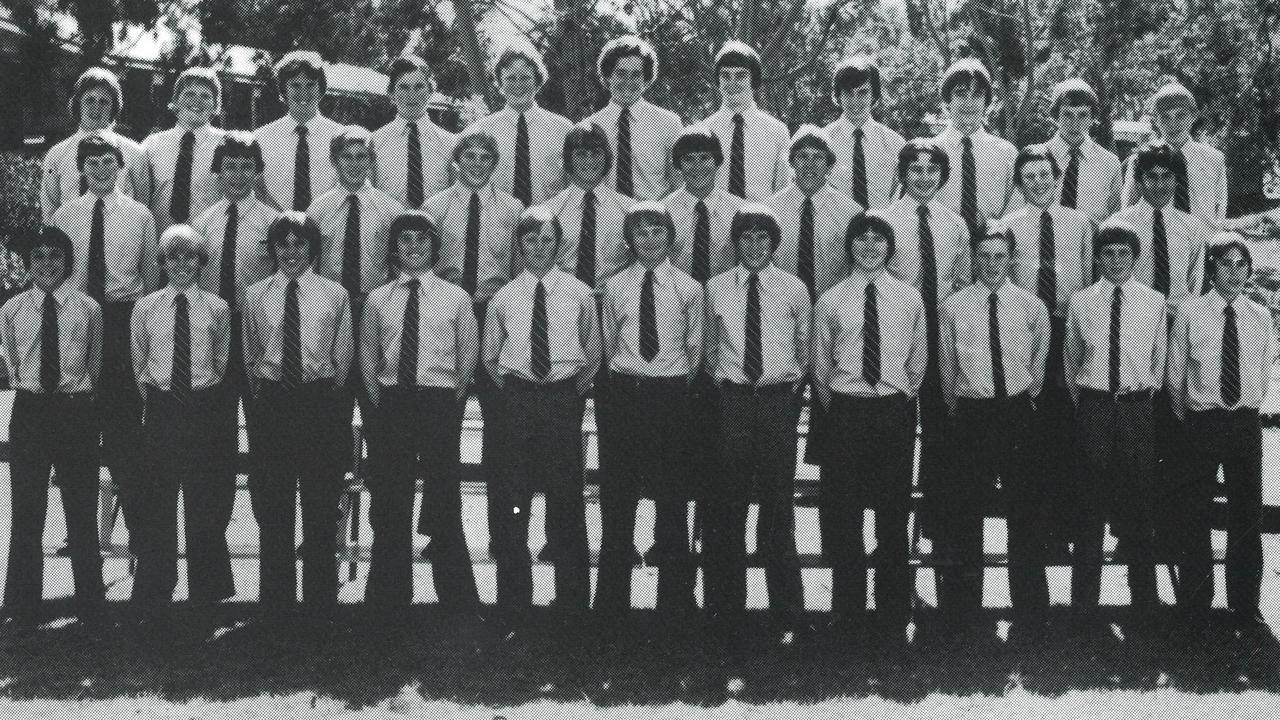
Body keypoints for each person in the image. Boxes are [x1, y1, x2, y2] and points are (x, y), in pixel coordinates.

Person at [812, 210, 926, 644]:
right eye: (861, 239)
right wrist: (842, 403)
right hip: (846, 410)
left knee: (892, 514)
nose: (870, 246)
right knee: (844, 516)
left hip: (891, 411)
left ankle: (893, 610)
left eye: (879, 240)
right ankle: (848, 611)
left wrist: (898, 395)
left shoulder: (909, 297)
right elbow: (821, 363)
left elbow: (917, 355)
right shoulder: (831, 299)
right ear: (850, 247)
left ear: (890, 247)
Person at [483, 206, 601, 618]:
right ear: (519, 245)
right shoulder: (504, 296)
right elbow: (491, 356)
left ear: (559, 244)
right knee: (513, 498)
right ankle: (515, 597)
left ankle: (572, 598)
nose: (538, 247)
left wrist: (566, 389)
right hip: (517, 397)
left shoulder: (579, 292)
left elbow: (592, 351)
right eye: (530, 240)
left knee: (565, 496)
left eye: (547, 240)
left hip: (561, 398)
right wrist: (520, 388)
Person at [360, 211, 479, 612]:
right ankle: (388, 597)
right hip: (394, 402)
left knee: (444, 497)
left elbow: (467, 358)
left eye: (422, 239)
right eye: (405, 240)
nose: (414, 247)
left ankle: (457, 598)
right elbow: (369, 355)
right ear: (394, 249)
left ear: (434, 245)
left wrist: (452, 399)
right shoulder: (380, 298)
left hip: (438, 401)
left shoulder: (455, 298)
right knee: (390, 499)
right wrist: (381, 399)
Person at [50, 133, 160, 563]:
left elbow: (151, 279)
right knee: (76, 433)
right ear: (81, 169)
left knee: (125, 438)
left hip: (121, 320)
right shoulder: (65, 215)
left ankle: (141, 539)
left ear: (122, 167)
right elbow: (56, 275)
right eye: (92, 163)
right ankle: (81, 548)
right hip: (77, 321)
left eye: (108, 163)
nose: (100, 170)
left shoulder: (140, 217)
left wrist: (142, 336)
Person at [703, 204, 810, 643]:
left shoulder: (793, 289)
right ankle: (727, 609)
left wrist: (785, 388)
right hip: (733, 402)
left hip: (775, 401)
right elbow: (708, 346)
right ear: (734, 243)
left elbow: (804, 347)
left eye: (763, 238)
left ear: (775, 243)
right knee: (728, 504)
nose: (754, 246)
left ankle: (786, 609)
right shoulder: (715, 288)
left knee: (777, 506)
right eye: (745, 237)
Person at [938, 229, 1050, 639]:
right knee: (967, 513)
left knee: (1025, 513)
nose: (991, 264)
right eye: (983, 257)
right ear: (973, 259)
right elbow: (948, 365)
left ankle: (1031, 611)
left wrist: (1023, 399)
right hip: (972, 414)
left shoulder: (1031, 307)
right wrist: (960, 404)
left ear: (1012, 260)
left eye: (999, 257)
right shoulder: (954, 307)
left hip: (1017, 413)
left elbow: (1038, 368)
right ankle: (966, 611)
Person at [243, 212, 354, 627]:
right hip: (274, 403)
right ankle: (276, 605)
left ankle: (321, 606)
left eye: (300, 244)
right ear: (272, 249)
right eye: (283, 244)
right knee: (274, 506)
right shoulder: (256, 295)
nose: (291, 252)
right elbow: (252, 352)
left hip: (317, 402)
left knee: (320, 505)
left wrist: (323, 398)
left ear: (312, 248)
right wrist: (266, 398)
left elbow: (342, 360)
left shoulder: (334, 294)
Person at [596, 202, 703, 620]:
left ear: (671, 237)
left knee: (672, 498)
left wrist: (672, 385)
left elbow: (695, 350)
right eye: (640, 232)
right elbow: (608, 343)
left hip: (670, 397)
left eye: (657, 230)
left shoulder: (689, 288)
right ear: (629, 239)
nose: (649, 239)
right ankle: (611, 605)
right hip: (625, 395)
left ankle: (675, 600)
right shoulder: (615, 287)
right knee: (618, 499)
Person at [1166, 235, 1275, 638]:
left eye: (1240, 264)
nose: (1233, 272)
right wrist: (1192, 416)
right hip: (1202, 421)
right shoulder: (1191, 313)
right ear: (1211, 270)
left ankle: (1245, 605)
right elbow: (1176, 377)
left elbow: (1262, 373)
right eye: (1224, 265)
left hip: (1243, 422)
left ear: (1249, 269)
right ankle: (1196, 604)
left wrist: (1245, 409)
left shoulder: (1261, 316)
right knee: (1195, 514)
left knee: (1247, 515)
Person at [0, 226, 105, 637]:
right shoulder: (11, 310)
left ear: (67, 261)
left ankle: (91, 605)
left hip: (74, 412)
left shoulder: (88, 309)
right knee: (27, 511)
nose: (47, 263)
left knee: (80, 510)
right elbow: (12, 362)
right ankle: (24, 606)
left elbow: (93, 365)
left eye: (55, 255)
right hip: (30, 411)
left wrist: (76, 397)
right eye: (39, 256)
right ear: (28, 264)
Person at [422, 130, 522, 559]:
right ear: (456, 162)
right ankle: (441, 532)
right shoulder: (436, 207)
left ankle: (504, 532)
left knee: (502, 428)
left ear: (495, 163)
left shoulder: (514, 209)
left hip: (493, 309)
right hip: (447, 312)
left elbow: (521, 265)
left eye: (486, 157)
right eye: (469, 156)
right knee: (442, 427)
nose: (477, 164)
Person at [129, 225, 233, 631]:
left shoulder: (217, 308)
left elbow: (222, 363)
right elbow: (140, 363)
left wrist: (198, 398)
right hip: (162, 409)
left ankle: (206, 592)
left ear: (202, 263)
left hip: (202, 409)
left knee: (203, 503)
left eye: (191, 257)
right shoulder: (146, 307)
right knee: (159, 503)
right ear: (162, 263)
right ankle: (155, 591)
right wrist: (159, 398)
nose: (182, 264)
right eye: (173, 257)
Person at [1064, 219, 1165, 636]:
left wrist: (1139, 396)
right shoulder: (1081, 301)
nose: (1117, 261)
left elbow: (1159, 361)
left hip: (1137, 409)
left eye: (1125, 253)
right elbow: (1072, 361)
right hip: (1095, 408)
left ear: (1136, 258)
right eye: (1108, 254)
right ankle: (1084, 607)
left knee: (1138, 505)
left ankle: (1144, 603)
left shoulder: (1154, 302)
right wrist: (1090, 400)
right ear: (1098, 258)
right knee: (1090, 505)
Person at [996, 144, 1094, 560]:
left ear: (1058, 179)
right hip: (1027, 331)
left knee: (1066, 426)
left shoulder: (1081, 224)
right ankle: (1032, 529)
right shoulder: (1007, 225)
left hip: (1069, 327)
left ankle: (1065, 527)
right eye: (1029, 177)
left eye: (1045, 176)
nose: (1038, 183)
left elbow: (1091, 276)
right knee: (1030, 431)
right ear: (1018, 183)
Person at [878, 139, 969, 549]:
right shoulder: (881, 220)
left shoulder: (955, 224)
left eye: (933, 170)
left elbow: (963, 283)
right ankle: (891, 533)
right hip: (897, 338)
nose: (924, 177)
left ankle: (936, 528)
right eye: (915, 169)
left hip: (942, 338)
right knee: (895, 436)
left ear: (943, 176)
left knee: (942, 433)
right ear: (901, 173)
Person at [192, 132, 278, 539]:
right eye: (231, 167)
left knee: (265, 439)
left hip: (259, 340)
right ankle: (213, 538)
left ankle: (270, 535)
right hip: (213, 340)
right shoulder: (203, 221)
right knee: (215, 442)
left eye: (248, 167)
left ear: (259, 172)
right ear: (217, 172)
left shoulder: (273, 222)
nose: (239, 175)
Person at [767, 124, 860, 304]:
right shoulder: (770, 210)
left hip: (834, 310)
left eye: (818, 157)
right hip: (781, 308)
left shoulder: (851, 213)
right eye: (802, 156)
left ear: (829, 165)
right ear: (792, 162)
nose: (809, 164)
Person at [41, 67, 147, 223]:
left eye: (104, 102)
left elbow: (142, 207)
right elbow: (50, 211)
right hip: (71, 241)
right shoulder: (57, 155)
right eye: (89, 100)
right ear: (78, 104)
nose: (96, 108)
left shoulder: (134, 153)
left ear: (114, 107)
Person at [472, 44, 573, 207]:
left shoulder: (563, 129)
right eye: (510, 78)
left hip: (549, 226)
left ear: (537, 81)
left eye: (525, 78)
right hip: (498, 227)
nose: (518, 85)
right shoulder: (482, 132)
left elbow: (574, 187)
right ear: (500, 83)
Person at [585, 36, 683, 201]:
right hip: (608, 220)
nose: (628, 81)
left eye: (636, 75)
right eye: (621, 73)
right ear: (608, 76)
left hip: (654, 220)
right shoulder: (591, 127)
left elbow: (679, 184)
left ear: (646, 80)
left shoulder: (669, 124)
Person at [931, 58, 1018, 236]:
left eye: (977, 95)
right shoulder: (929, 152)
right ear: (948, 99)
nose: (969, 103)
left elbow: (1015, 213)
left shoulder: (1007, 154)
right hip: (941, 250)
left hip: (991, 255)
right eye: (961, 94)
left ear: (986, 102)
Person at [1121, 82, 1227, 227]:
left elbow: (1219, 213)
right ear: (1156, 121)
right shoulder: (1140, 161)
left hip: (1202, 244)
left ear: (1193, 116)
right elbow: (1128, 212)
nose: (1173, 123)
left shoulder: (1214, 159)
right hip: (1159, 245)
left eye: (1181, 115)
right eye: (1165, 117)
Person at [255, 51, 344, 212]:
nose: (304, 92)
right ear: (284, 89)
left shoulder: (340, 137)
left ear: (321, 88)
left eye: (310, 85)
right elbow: (257, 190)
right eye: (295, 85)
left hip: (327, 230)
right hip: (275, 230)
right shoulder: (261, 138)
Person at [704, 41, 791, 202]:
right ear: (718, 80)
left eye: (741, 75)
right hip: (716, 223)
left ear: (754, 79)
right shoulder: (704, 131)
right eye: (725, 75)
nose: (732, 83)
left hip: (761, 223)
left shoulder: (777, 132)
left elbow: (783, 192)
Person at [142, 67, 225, 235]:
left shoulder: (227, 145)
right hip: (161, 247)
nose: (197, 101)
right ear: (176, 101)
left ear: (215, 105)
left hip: (210, 244)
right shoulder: (151, 146)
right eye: (189, 94)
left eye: (205, 96)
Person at [371, 55, 456, 209]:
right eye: (403, 87)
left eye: (419, 86)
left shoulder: (451, 144)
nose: (412, 95)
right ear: (391, 93)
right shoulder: (374, 143)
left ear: (430, 91)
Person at [824, 56, 906, 210]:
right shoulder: (823, 143)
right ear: (838, 96)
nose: (855, 101)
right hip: (834, 231)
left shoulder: (896, 145)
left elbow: (901, 200)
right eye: (848, 93)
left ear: (874, 95)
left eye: (862, 93)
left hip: (880, 231)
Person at [1043, 79, 1122, 228]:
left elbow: (1115, 218)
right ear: (1055, 116)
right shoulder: (1039, 158)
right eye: (1067, 115)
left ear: (1093, 118)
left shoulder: (1110, 164)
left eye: (1083, 115)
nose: (1075, 123)